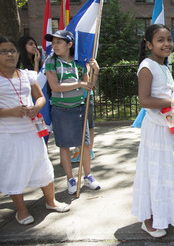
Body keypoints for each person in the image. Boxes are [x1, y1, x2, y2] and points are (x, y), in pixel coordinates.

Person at [132, 24, 174, 238]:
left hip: (171, 126)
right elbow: (145, 100)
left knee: (171, 170)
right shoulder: (147, 66)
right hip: (157, 131)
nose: (167, 43)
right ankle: (149, 219)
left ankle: (170, 212)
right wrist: (173, 102)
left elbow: (168, 95)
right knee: (156, 173)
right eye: (160, 40)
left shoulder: (163, 66)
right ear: (149, 44)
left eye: (169, 39)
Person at [0, 36, 69, 225]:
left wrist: (36, 108)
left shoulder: (26, 74)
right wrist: (10, 112)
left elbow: (40, 97)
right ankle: (21, 211)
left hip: (32, 130)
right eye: (4, 51)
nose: (9, 54)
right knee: (13, 170)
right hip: (8, 134)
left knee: (42, 164)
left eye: (12, 50)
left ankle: (51, 201)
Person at [44, 30, 101, 194]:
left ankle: (88, 176)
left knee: (85, 143)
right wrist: (79, 84)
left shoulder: (78, 63)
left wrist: (95, 71)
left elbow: (89, 86)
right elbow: (55, 87)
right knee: (64, 146)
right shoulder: (51, 62)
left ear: (69, 44)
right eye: (53, 42)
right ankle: (70, 178)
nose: (54, 45)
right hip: (60, 109)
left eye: (59, 42)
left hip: (79, 107)